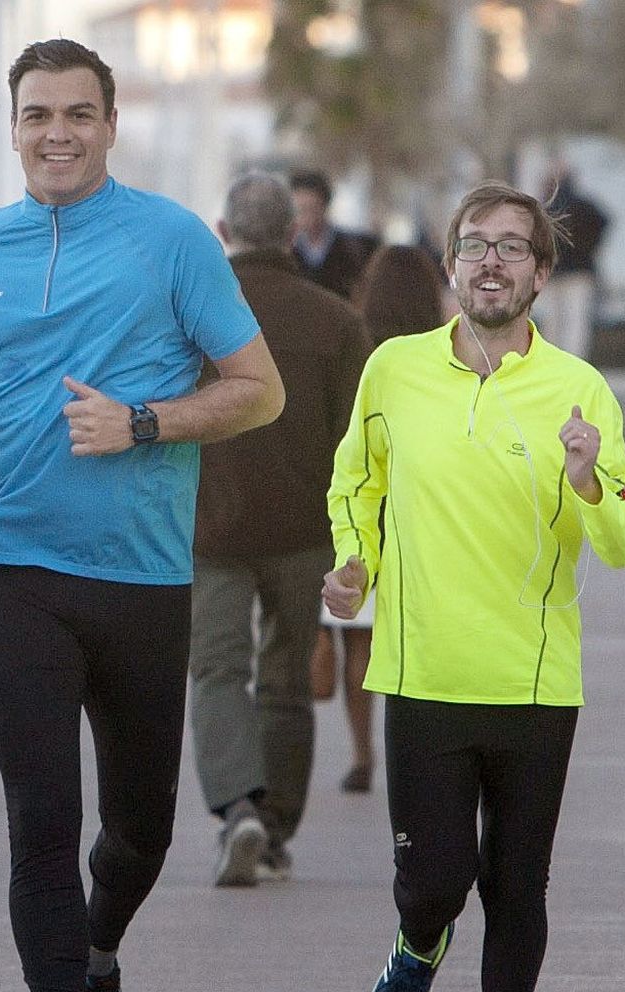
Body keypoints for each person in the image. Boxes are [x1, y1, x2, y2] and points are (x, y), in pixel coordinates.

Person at [0, 39, 283, 992]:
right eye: (36, 116)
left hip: (143, 575)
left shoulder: (171, 240)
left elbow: (254, 390)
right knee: (39, 823)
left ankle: (101, 948)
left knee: (142, 828)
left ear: (111, 122)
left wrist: (145, 421)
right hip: (13, 567)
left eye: (77, 113)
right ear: (10, 127)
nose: (56, 133)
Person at [323, 181, 625, 992]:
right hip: (422, 670)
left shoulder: (581, 390)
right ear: (451, 264)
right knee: (435, 879)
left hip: (534, 683)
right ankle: (416, 942)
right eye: (474, 245)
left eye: (513, 248)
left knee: (517, 887)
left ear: (542, 275)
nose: (492, 262)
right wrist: (354, 563)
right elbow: (357, 481)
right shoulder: (392, 371)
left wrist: (591, 478)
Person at [190, 171, 370, 887]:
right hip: (306, 530)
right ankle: (278, 828)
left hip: (210, 528)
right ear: (293, 233)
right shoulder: (336, 321)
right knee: (288, 679)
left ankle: (239, 809)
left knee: (216, 670)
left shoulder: (195, 315)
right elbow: (358, 436)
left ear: (226, 233)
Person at [317, 244, 447, 797]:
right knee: (414, 644)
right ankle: (410, 749)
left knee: (359, 647)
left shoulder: (356, 348)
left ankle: (364, 751)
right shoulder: (437, 359)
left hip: (362, 513)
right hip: (422, 516)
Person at [537, 163, 609, 359]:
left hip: (553, 272)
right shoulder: (584, 206)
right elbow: (604, 221)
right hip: (580, 271)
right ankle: (575, 362)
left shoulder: (544, 210)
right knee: (576, 322)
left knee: (553, 321)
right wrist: (591, 247)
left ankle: (553, 361)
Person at [287, 168, 379, 300]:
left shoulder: (356, 249)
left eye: (311, 208)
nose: (305, 216)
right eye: (300, 209)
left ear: (324, 205)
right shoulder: (288, 252)